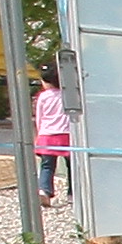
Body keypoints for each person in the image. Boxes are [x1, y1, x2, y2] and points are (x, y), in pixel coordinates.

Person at [31, 67, 71, 211]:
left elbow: (39, 117)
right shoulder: (66, 95)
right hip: (66, 134)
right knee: (71, 165)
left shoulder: (43, 96)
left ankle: (45, 191)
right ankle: (72, 193)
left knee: (47, 166)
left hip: (47, 134)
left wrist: (39, 133)